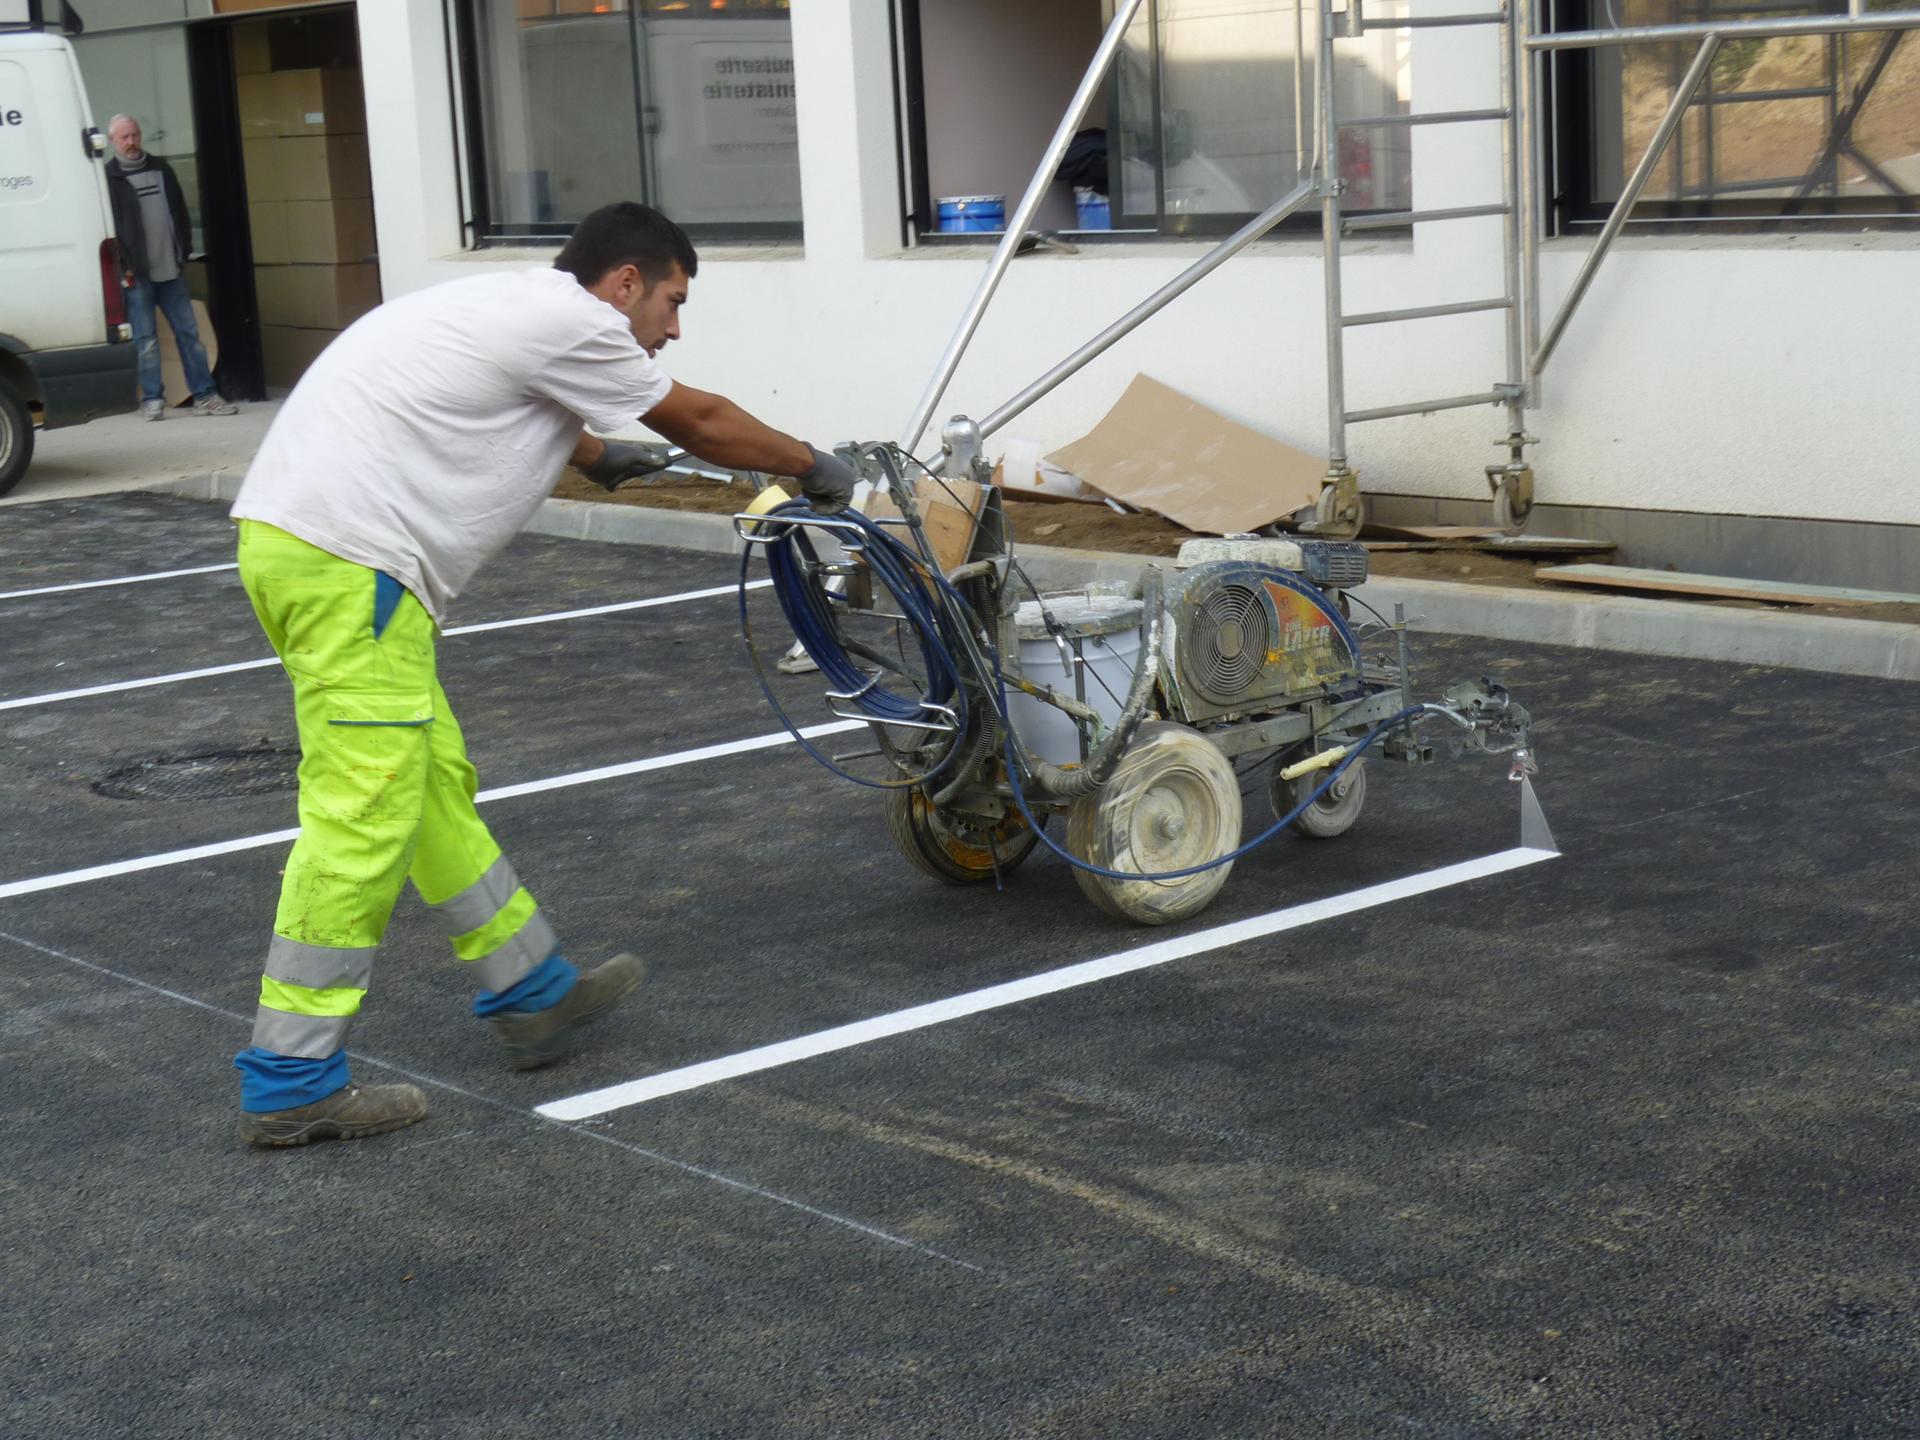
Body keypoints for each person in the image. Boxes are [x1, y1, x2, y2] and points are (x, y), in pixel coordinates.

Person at [226, 201, 857, 1148]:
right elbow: (703, 419)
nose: (672, 327)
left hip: (301, 548)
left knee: (432, 786)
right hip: (356, 570)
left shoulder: (511, 305)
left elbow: (509, 406)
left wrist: (599, 458)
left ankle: (533, 991)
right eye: (672, 302)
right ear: (626, 283)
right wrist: (813, 465)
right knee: (364, 814)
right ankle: (290, 1079)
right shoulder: (579, 321)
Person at [103, 115, 238, 421]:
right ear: (113, 141)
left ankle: (206, 395)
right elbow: (110, 231)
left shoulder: (161, 168)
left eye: (135, 134)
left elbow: (178, 210)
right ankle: (152, 399)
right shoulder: (109, 179)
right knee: (146, 341)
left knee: (189, 336)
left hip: (171, 271)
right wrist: (123, 268)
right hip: (136, 275)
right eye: (124, 137)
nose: (131, 141)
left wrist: (184, 253)